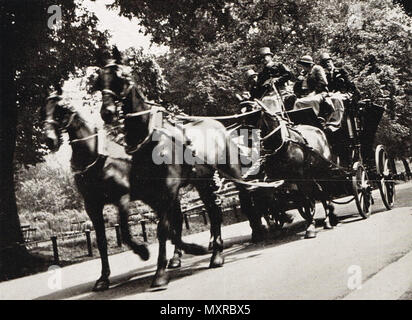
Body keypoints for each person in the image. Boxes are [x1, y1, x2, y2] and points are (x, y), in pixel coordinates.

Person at [293, 55, 334, 125]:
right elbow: (297, 87)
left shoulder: (317, 69)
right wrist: (299, 80)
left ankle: (314, 119)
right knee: (296, 101)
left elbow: (323, 82)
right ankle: (298, 120)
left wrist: (314, 92)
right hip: (307, 94)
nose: (302, 67)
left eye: (304, 65)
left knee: (313, 100)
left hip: (320, 92)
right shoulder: (304, 73)